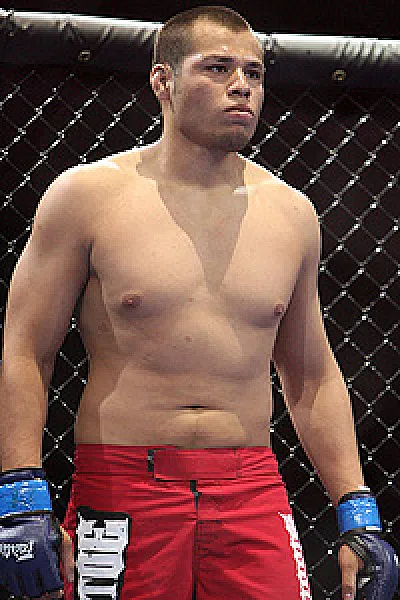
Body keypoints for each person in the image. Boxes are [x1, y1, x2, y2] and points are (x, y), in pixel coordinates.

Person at [0, 6, 398, 600]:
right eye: (217, 68)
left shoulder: (291, 214)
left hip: (251, 488)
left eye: (254, 73)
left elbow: (310, 373)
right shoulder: (87, 196)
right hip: (122, 484)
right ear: (163, 81)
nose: (242, 85)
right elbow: (26, 349)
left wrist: (357, 512)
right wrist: (19, 495)